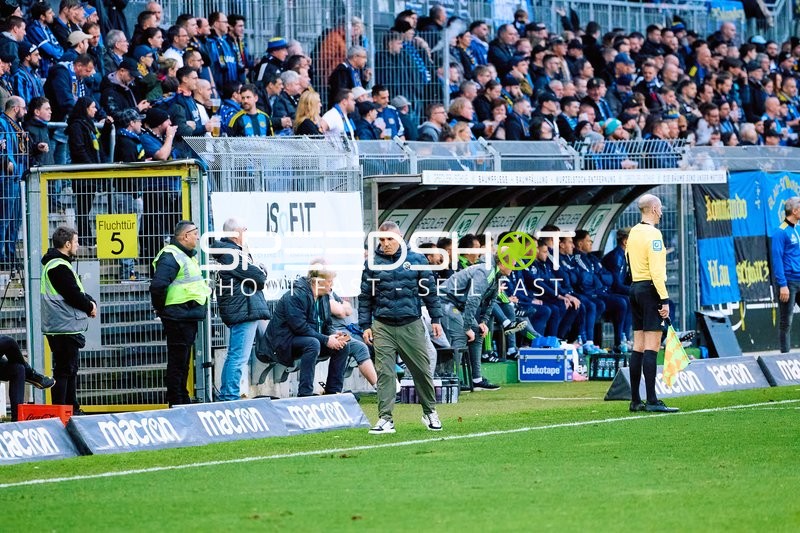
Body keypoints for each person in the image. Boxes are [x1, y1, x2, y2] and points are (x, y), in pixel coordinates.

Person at [359, 220, 443, 434]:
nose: (386, 243)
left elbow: (430, 292)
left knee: (421, 371)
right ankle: (385, 419)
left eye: (390, 239)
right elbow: (365, 297)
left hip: (411, 323)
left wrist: (436, 319)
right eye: (382, 240)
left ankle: (429, 411)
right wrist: (365, 325)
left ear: (400, 238)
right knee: (385, 373)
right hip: (383, 325)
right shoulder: (372, 263)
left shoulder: (416, 259)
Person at [262, 261, 350, 396]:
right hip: (283, 343)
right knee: (312, 343)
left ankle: (333, 392)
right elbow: (299, 327)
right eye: (329, 281)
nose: (332, 285)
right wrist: (326, 339)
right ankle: (305, 394)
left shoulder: (324, 296)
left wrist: (334, 334)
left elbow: (327, 324)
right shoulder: (295, 295)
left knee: (343, 345)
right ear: (318, 282)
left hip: (307, 338)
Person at [627, 194, 678, 413]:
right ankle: (652, 400)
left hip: (635, 287)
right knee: (652, 346)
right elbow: (657, 272)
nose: (662, 212)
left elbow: (629, 259)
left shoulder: (633, 232)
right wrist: (664, 299)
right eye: (661, 209)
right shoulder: (654, 234)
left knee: (638, 344)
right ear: (654, 209)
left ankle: (635, 400)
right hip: (650, 290)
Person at [150, 220, 210, 406]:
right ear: (185, 236)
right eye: (195, 233)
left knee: (182, 361)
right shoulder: (171, 256)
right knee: (178, 362)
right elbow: (158, 286)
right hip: (178, 316)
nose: (198, 237)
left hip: (185, 314)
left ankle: (181, 398)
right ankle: (176, 401)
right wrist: (162, 310)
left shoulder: (184, 256)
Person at [211, 218, 270, 402]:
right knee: (238, 358)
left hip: (243, 309)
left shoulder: (232, 253)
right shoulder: (233, 254)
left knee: (234, 356)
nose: (246, 233)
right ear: (235, 233)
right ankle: (230, 397)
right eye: (244, 229)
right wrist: (260, 270)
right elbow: (258, 277)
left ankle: (228, 395)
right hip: (243, 310)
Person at [41, 226, 97, 413]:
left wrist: (89, 301)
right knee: (65, 371)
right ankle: (63, 412)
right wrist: (89, 306)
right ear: (67, 244)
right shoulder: (58, 266)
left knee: (69, 370)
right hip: (62, 325)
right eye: (76, 242)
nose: (78, 245)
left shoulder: (57, 264)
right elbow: (72, 294)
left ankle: (71, 409)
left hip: (62, 325)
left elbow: (74, 291)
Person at [772, 196, 800, 353]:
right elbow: (777, 259)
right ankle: (785, 356)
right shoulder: (780, 232)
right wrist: (783, 285)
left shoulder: (798, 229)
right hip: (788, 282)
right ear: (795, 211)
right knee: (786, 321)